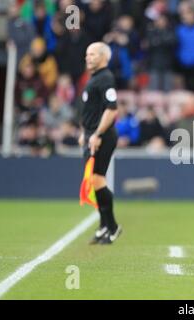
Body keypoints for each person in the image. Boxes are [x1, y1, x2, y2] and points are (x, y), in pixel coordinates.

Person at [79, 42, 122, 245]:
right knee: (94, 181)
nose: (88, 57)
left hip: (102, 137)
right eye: (87, 54)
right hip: (91, 135)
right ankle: (104, 225)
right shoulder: (95, 78)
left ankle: (112, 226)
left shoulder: (105, 78)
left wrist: (96, 134)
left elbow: (111, 109)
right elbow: (92, 110)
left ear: (104, 57)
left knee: (97, 180)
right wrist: (84, 132)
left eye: (93, 54)